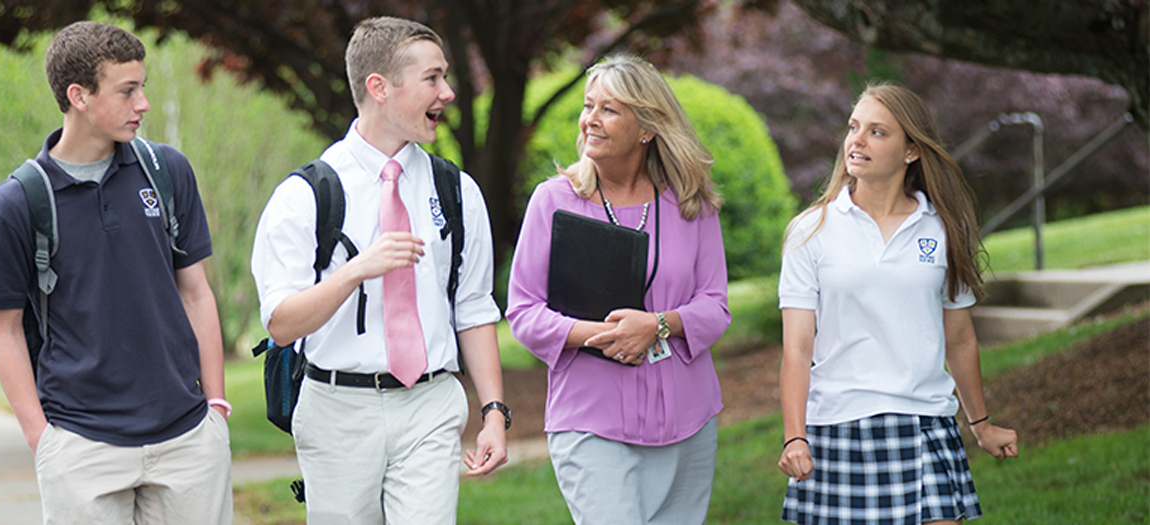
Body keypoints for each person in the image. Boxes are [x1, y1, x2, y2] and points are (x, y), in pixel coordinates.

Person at [250, 16, 508, 524]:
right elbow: (280, 323)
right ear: (379, 88)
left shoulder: (457, 192)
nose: (449, 93)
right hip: (337, 409)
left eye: (445, 76)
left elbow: (474, 309)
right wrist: (354, 271)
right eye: (432, 78)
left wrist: (495, 413)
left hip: (431, 404)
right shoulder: (305, 196)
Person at [0, 21, 231, 524]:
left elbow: (196, 292)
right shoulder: (18, 203)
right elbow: (4, 329)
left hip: (187, 437)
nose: (144, 104)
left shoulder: (168, 172)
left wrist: (217, 407)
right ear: (79, 96)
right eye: (127, 91)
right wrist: (42, 439)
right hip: (81, 445)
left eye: (143, 88)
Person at [776, 82, 1020, 524]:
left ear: (911, 150)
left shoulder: (945, 227)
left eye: (877, 132)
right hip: (837, 429)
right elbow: (796, 349)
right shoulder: (810, 230)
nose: (857, 140)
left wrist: (980, 424)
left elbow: (960, 338)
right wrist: (795, 438)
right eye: (854, 127)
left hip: (926, 424)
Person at [505, 54, 730, 524]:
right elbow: (524, 312)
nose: (591, 119)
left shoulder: (691, 203)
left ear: (647, 127)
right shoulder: (554, 200)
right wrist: (598, 335)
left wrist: (658, 325)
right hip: (592, 417)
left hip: (688, 419)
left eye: (609, 109)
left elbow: (715, 306)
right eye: (589, 106)